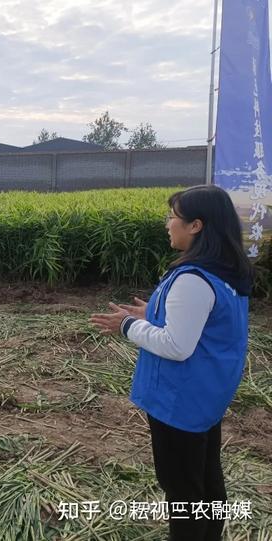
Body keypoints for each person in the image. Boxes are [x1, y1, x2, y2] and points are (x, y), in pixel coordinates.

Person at [90, 184, 253, 541]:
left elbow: (177, 345)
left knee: (182, 492)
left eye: (173, 217)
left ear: (196, 225)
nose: (168, 224)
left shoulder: (193, 278)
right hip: (205, 397)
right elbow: (206, 323)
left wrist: (128, 325)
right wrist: (152, 311)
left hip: (179, 401)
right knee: (207, 481)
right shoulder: (224, 273)